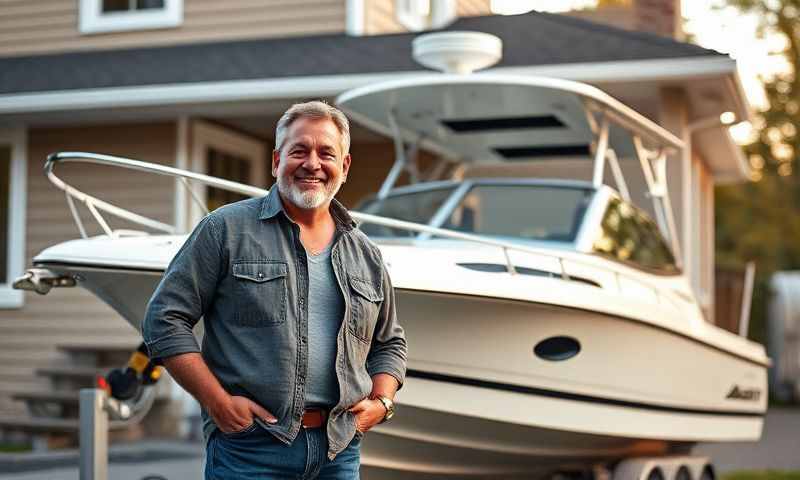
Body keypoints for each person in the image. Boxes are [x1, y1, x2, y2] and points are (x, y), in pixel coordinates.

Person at [142, 101, 407, 479]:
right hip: (251, 449)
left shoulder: (365, 253)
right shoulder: (225, 229)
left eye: (326, 153)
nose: (312, 163)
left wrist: (382, 401)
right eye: (299, 150)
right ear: (276, 161)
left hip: (339, 451)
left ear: (344, 167)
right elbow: (163, 319)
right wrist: (217, 403)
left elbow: (390, 341)